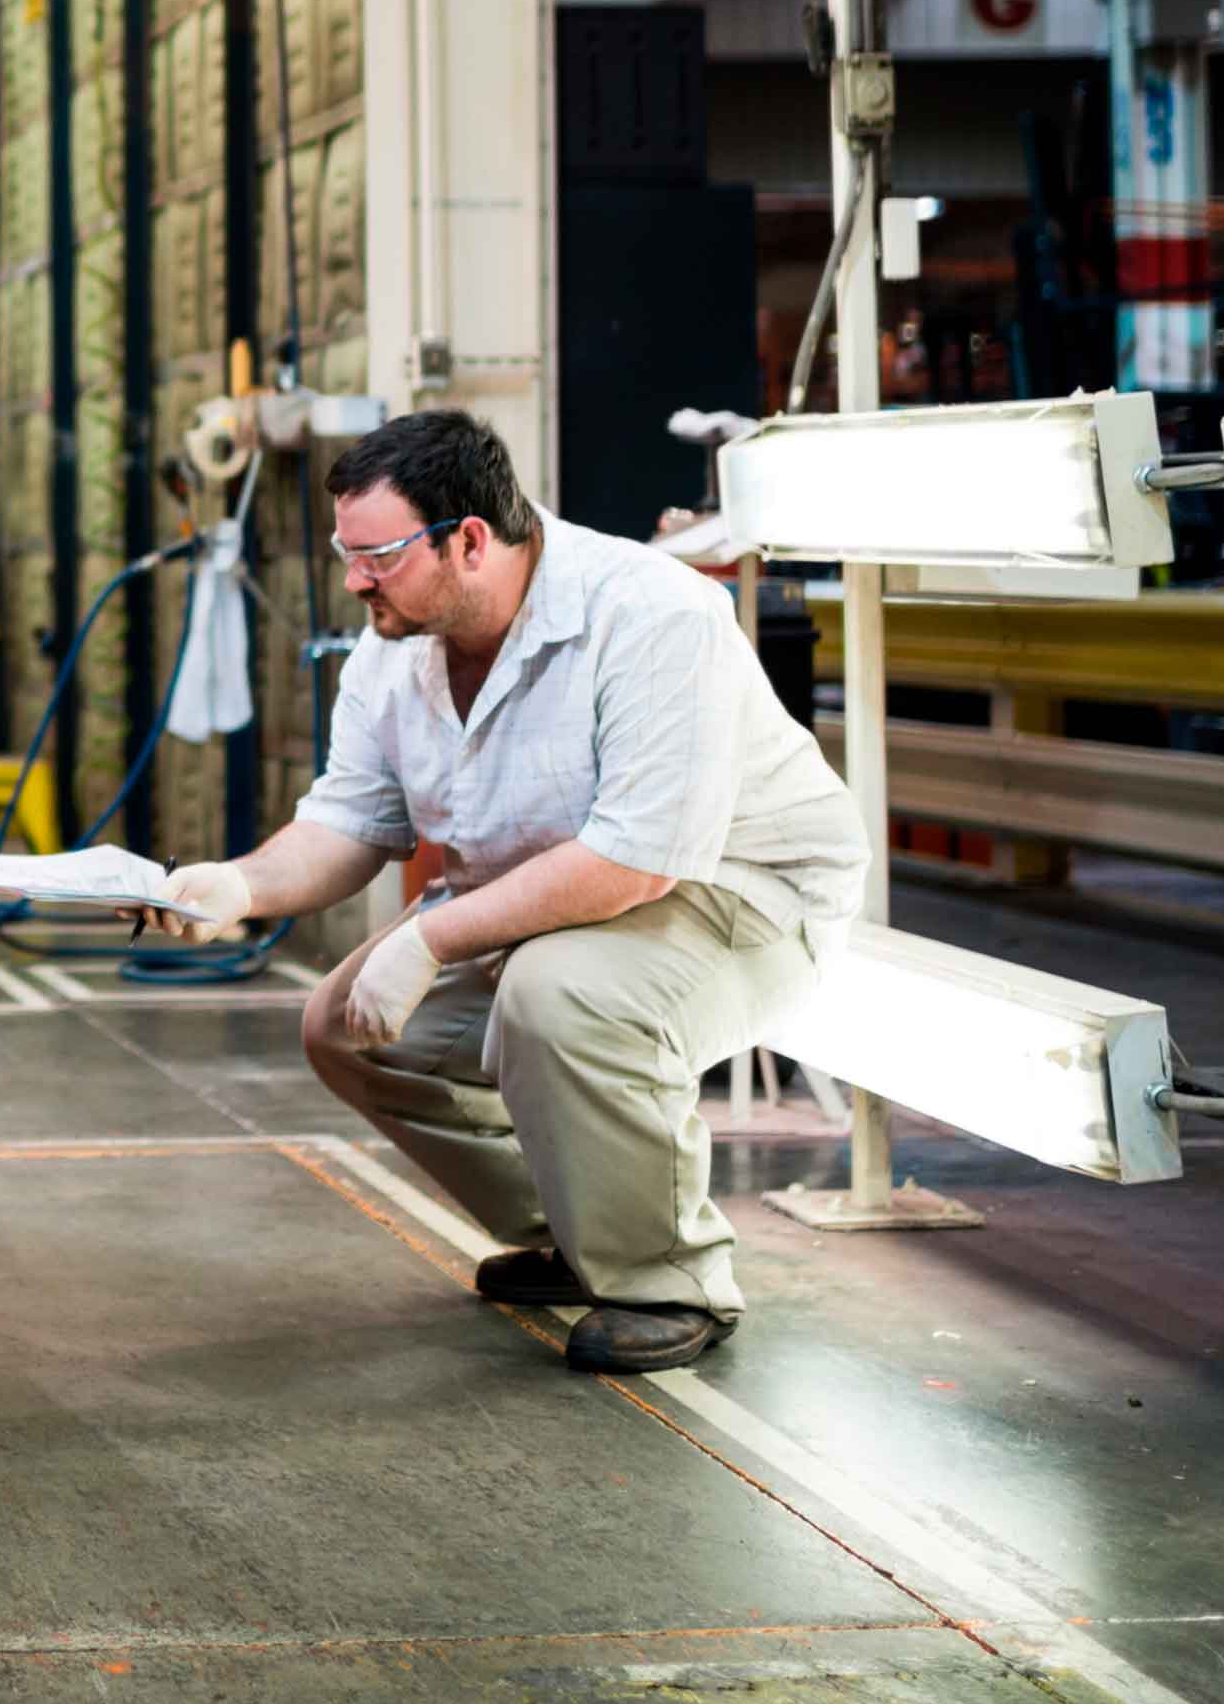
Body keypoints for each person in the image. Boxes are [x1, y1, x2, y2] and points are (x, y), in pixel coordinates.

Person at [145, 410, 861, 1373]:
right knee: (344, 1028)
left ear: (470, 540)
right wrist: (238, 885)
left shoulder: (652, 614)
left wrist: (429, 940)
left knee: (556, 996)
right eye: (347, 555)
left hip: (741, 893)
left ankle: (667, 1278)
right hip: (556, 898)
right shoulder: (394, 650)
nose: (355, 581)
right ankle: (581, 1226)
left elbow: (637, 861)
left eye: (379, 557)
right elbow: (349, 824)